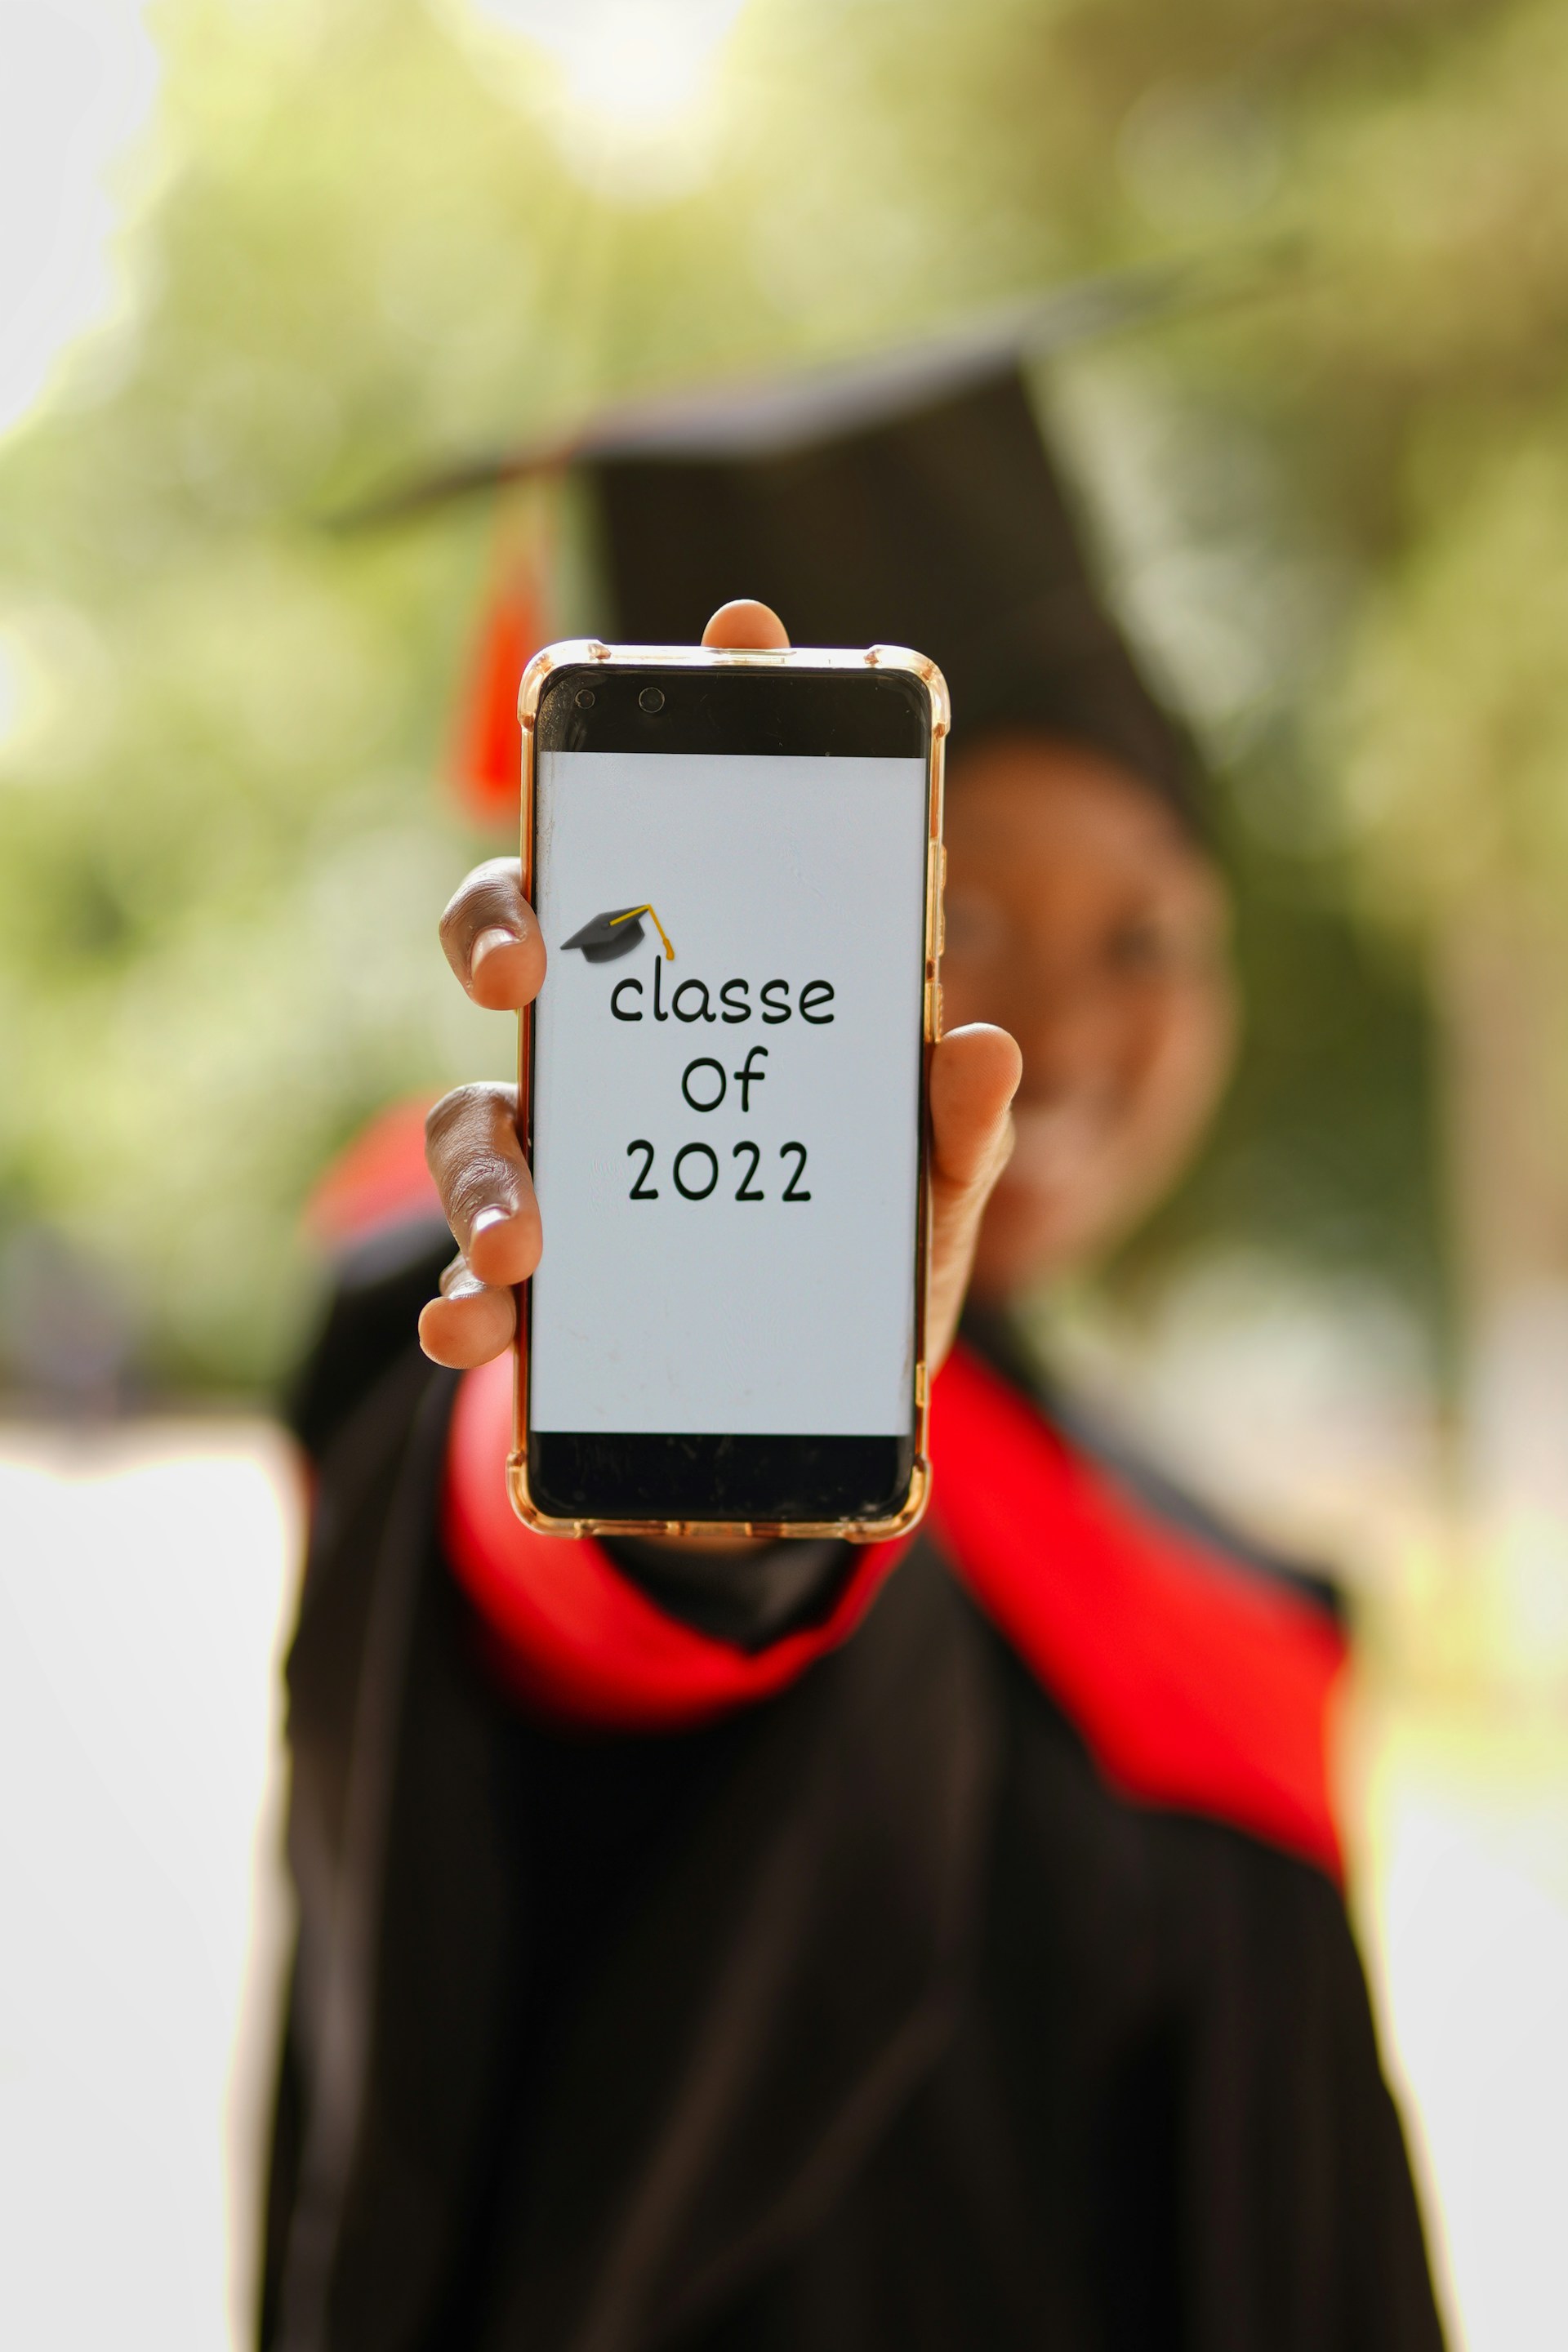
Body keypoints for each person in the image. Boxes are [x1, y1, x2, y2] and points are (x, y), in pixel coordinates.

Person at [262, 351, 1446, 2350]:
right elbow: (553, 1610)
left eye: (1144, 934)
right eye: (962, 917)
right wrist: (674, 1500)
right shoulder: (481, 1318)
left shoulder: (1159, 1505)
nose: (1067, 1039)